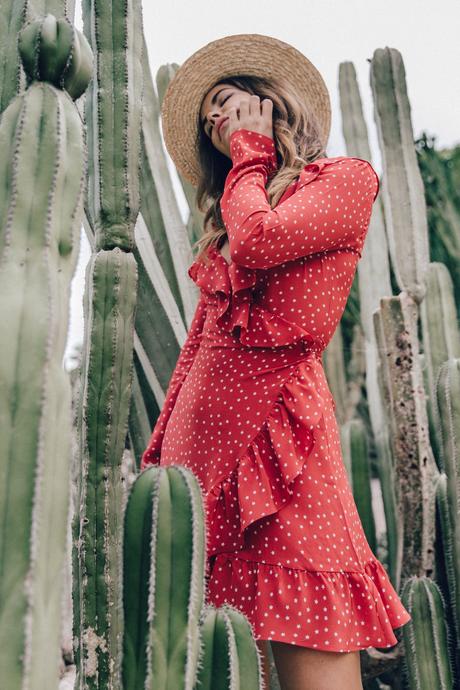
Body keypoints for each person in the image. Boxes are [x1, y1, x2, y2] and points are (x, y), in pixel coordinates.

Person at [141, 34, 411, 690]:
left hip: (285, 446)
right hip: (203, 465)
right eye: (210, 118)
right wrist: (160, 457)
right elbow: (199, 349)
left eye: (227, 102)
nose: (217, 120)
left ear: (271, 105)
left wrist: (248, 156)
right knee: (225, 669)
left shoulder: (345, 180)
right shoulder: (233, 207)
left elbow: (263, 242)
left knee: (316, 652)